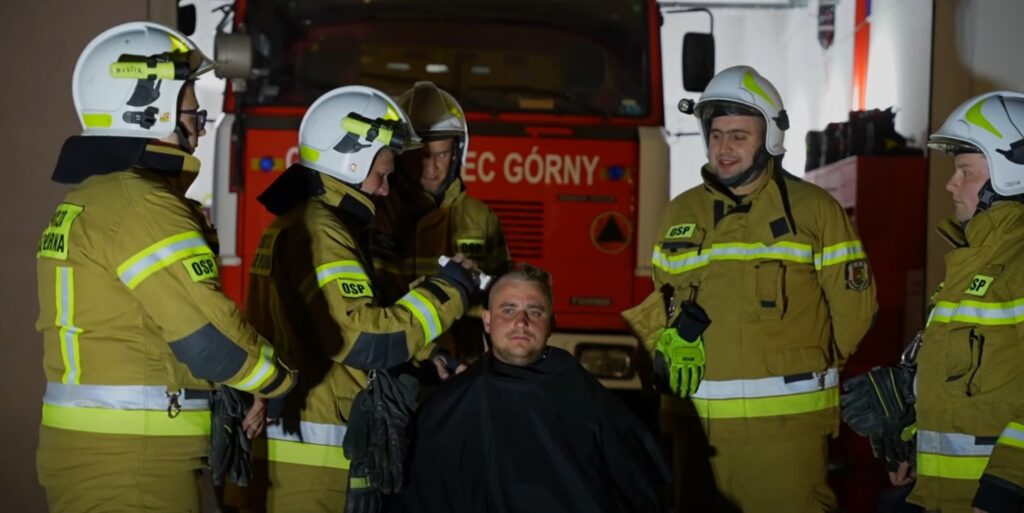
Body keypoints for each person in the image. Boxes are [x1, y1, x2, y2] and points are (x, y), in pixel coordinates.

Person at [34, 22, 295, 513]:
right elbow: (210, 340)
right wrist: (275, 382)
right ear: (151, 110)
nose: (200, 124)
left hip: (112, 452)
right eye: (195, 111)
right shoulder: (143, 205)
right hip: (135, 459)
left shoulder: (99, 196)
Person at [622, 65, 878, 513]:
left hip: (785, 435)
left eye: (739, 135)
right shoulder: (680, 212)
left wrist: (807, 367)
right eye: (717, 134)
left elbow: (855, 312)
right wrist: (663, 342)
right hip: (697, 432)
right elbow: (660, 299)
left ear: (770, 138)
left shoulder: (815, 212)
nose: (724, 147)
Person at [244, 85, 480, 513]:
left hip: (305, 444)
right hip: (315, 454)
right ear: (349, 162)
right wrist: (451, 290)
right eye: (382, 175)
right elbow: (362, 338)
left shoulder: (309, 220)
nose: (387, 190)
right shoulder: (324, 230)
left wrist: (428, 354)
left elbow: (345, 316)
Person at [845, 91, 1024, 513]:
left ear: (1012, 173)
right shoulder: (974, 263)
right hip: (943, 495)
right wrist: (912, 437)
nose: (951, 183)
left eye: (965, 171)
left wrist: (1006, 488)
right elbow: (972, 389)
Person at [401, 263, 670, 513]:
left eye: (534, 311)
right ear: (486, 320)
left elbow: (640, 486)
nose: (521, 322)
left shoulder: (585, 396)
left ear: (552, 324)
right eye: (508, 310)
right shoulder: (449, 405)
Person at [370, 81, 510, 364]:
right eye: (419, 156)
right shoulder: (375, 214)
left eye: (441, 155)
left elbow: (503, 299)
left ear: (457, 153)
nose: (431, 167)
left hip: (461, 364)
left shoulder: (480, 217)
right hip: (392, 362)